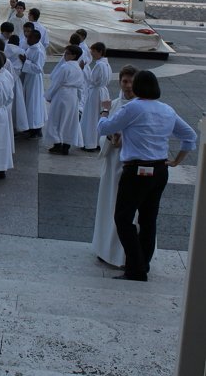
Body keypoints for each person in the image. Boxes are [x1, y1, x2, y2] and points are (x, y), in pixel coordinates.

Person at [98, 69, 197, 281]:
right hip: (160, 170)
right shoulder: (167, 110)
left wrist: (104, 112)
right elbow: (189, 136)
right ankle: (144, 263)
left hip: (136, 170)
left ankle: (136, 266)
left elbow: (104, 128)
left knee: (123, 218)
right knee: (148, 219)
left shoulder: (134, 108)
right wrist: (177, 160)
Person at [92, 65, 138, 267]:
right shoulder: (116, 104)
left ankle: (123, 253)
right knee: (108, 206)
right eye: (124, 81)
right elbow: (103, 134)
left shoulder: (140, 106)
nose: (127, 86)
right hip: (112, 164)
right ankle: (105, 248)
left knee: (126, 212)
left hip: (129, 165)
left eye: (131, 82)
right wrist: (111, 138)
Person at [44, 44, 84, 155]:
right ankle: (66, 145)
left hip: (62, 94)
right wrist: (79, 100)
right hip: (73, 96)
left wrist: (49, 95)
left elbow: (57, 83)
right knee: (69, 120)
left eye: (67, 53)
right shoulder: (78, 68)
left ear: (73, 55)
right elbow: (81, 85)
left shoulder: (65, 67)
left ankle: (57, 144)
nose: (64, 55)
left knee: (56, 119)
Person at [81, 42, 112, 151]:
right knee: (99, 116)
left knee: (92, 117)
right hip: (103, 91)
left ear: (99, 52)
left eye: (93, 51)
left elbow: (92, 80)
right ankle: (98, 142)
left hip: (95, 92)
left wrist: (83, 70)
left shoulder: (99, 65)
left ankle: (90, 143)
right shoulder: (107, 64)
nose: (92, 54)